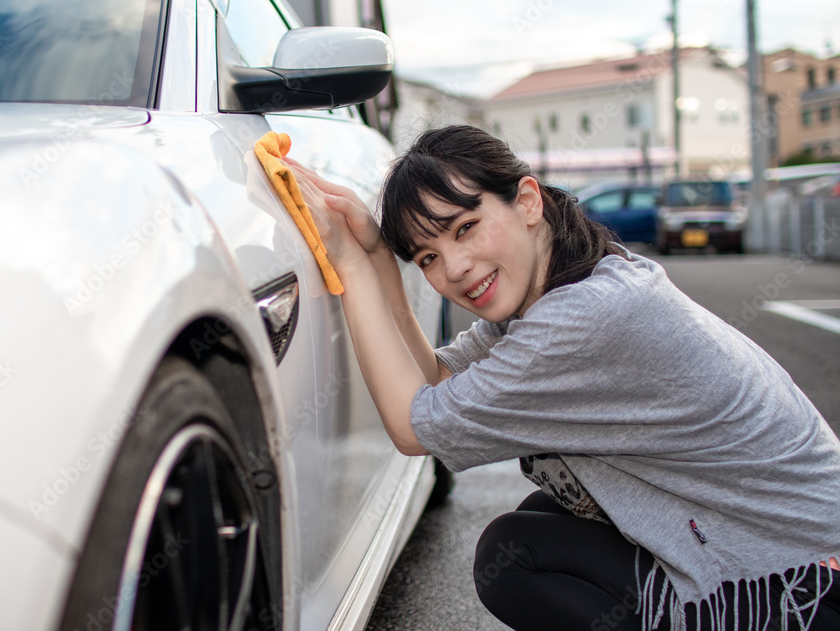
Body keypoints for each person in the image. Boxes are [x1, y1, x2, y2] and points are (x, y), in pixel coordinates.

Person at [286, 125, 840, 631]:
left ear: (527, 201)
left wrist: (352, 269)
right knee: (548, 519)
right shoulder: (570, 284)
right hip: (793, 554)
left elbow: (414, 427)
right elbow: (435, 379)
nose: (453, 268)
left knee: (515, 556)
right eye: (429, 256)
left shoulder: (580, 320)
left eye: (467, 227)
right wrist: (382, 258)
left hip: (805, 583)